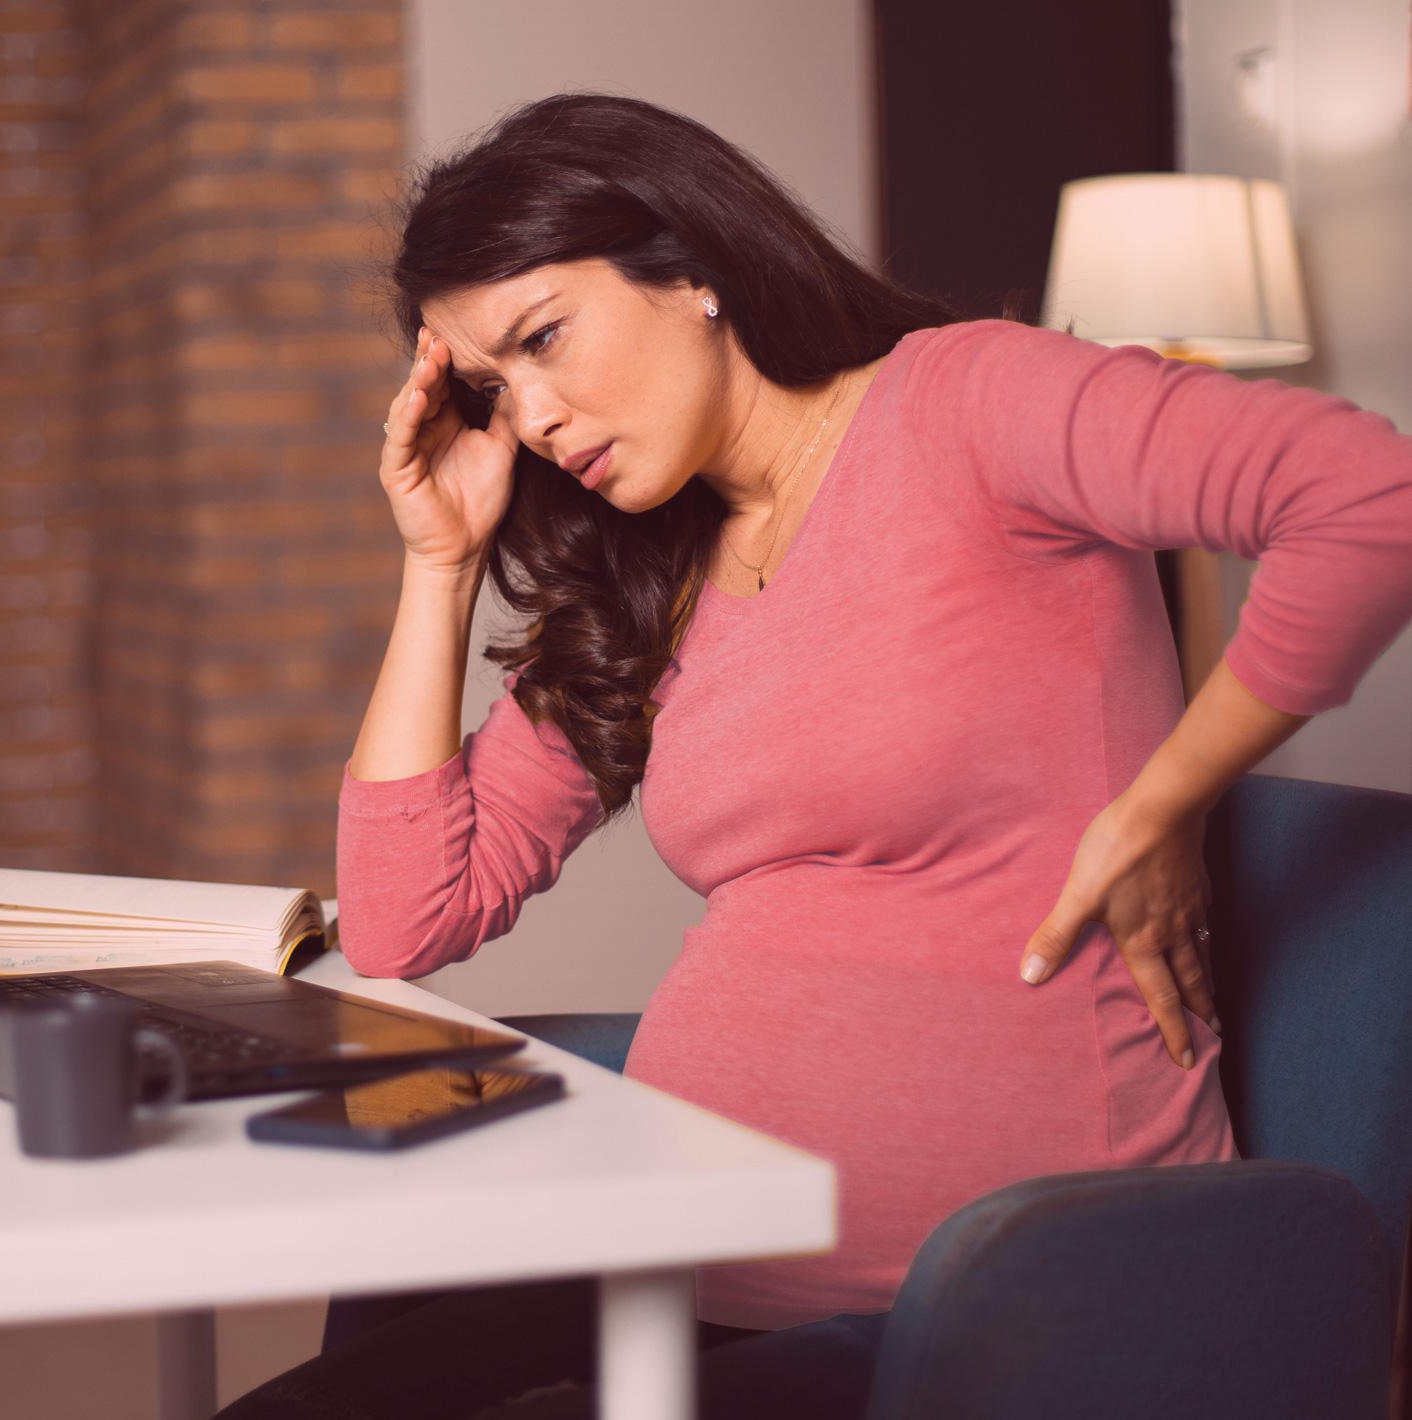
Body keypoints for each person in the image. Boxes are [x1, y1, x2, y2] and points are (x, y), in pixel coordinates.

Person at [219, 94, 1412, 1419]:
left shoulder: (970, 398)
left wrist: (1164, 801)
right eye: (496, 389)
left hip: (990, 1308)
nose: (537, 415)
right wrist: (439, 562)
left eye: (544, 337)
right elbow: (406, 917)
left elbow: (1368, 500)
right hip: (675, 1267)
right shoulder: (652, 571)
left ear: (693, 267)